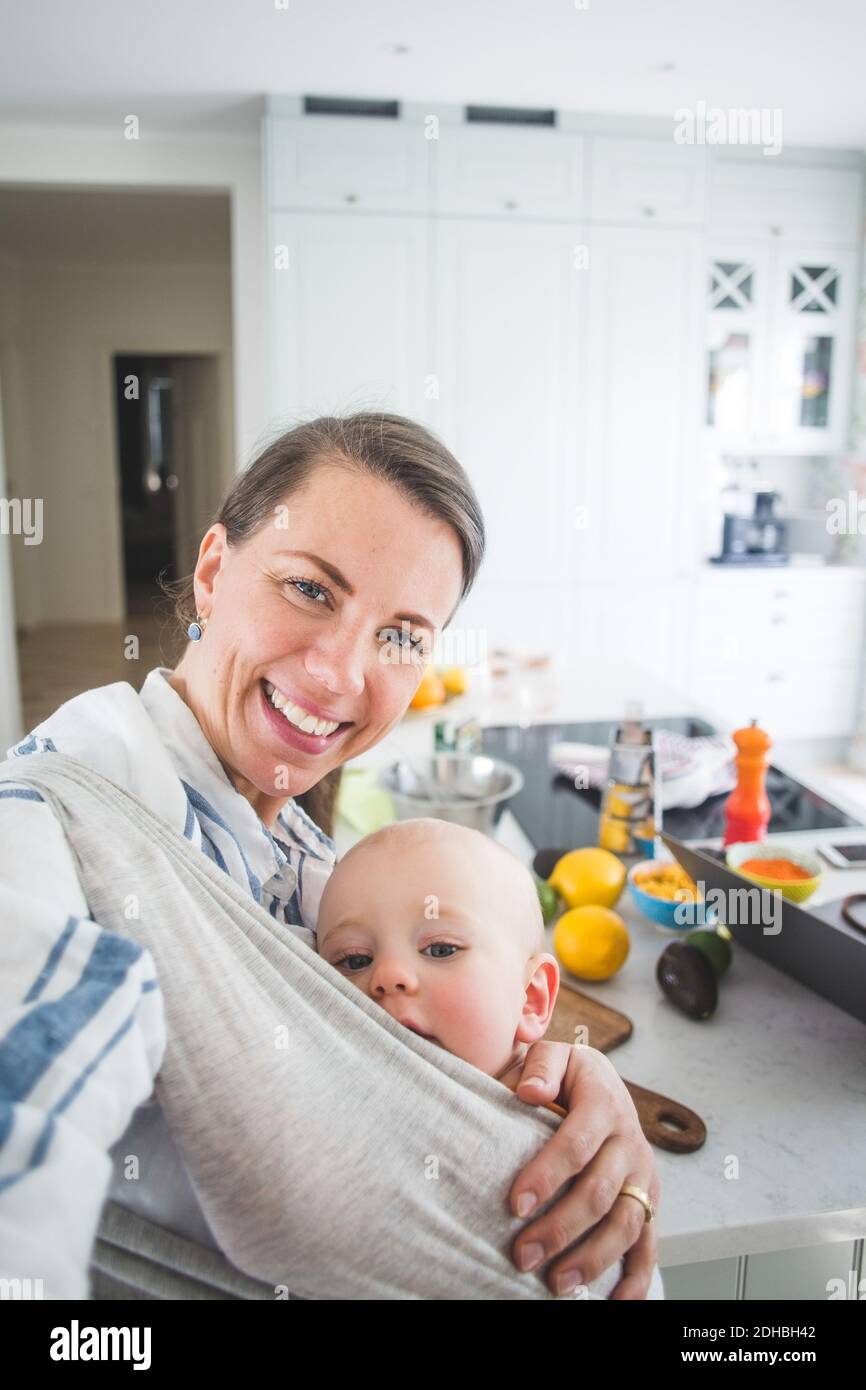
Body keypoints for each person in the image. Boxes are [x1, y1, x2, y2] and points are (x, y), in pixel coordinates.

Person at [0, 412, 660, 1300]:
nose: (341, 674)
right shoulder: (61, 819)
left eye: (401, 636)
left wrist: (573, 1082)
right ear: (212, 572)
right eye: (311, 589)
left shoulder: (310, 862)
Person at [316, 816, 665, 1299]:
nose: (388, 975)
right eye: (354, 960)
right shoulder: (330, 1107)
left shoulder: (555, 1134)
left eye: (440, 948)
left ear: (531, 1000)